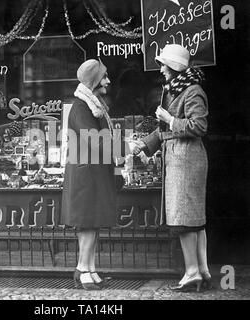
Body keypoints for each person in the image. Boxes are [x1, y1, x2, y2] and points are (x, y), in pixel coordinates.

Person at [132, 44, 211, 292]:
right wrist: (144, 145)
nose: (162, 69)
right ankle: (200, 270)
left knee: (186, 219)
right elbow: (164, 131)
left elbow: (199, 126)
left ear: (176, 67)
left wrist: (170, 119)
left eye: (165, 65)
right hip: (180, 159)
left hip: (187, 159)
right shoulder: (176, 90)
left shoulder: (193, 91)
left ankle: (192, 272)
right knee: (190, 218)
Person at [61, 59, 127, 290]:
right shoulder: (81, 107)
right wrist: (125, 146)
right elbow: (95, 140)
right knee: (88, 224)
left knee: (92, 223)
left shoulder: (92, 105)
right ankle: (82, 268)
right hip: (86, 176)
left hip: (93, 174)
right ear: (94, 81)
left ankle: (88, 267)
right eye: (104, 76)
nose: (108, 80)